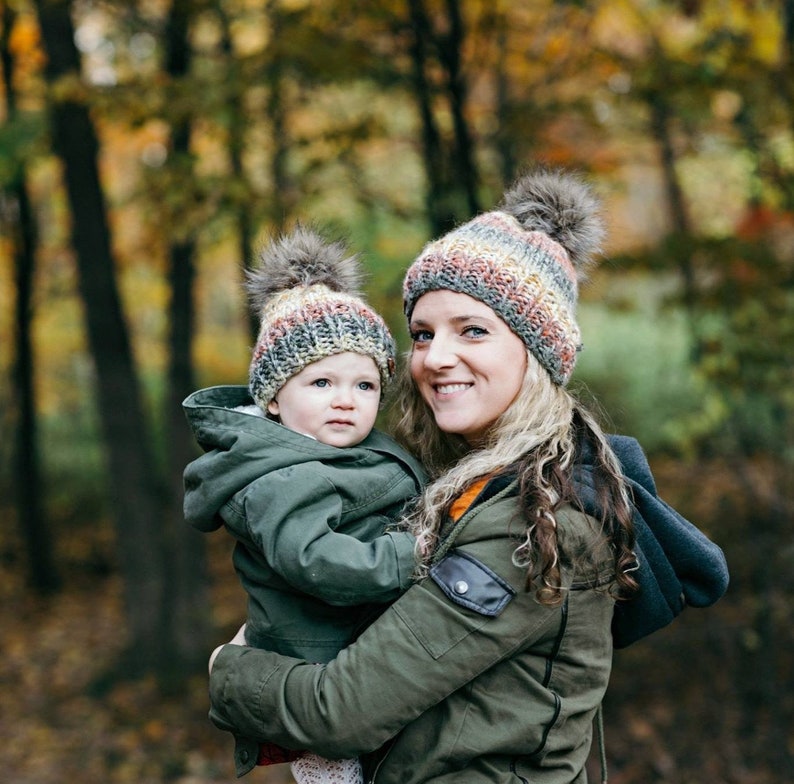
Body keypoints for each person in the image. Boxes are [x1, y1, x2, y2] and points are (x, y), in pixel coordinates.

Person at [205, 170, 729, 783]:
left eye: (472, 330)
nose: (435, 357)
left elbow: (339, 711)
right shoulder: (463, 487)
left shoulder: (537, 520)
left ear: (537, 352)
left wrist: (228, 669)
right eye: (422, 334)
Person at [182, 227, 426, 784]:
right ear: (273, 397)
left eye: (365, 386)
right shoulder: (281, 478)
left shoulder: (340, 453)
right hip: (312, 665)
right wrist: (410, 555)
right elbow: (316, 560)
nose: (345, 400)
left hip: (356, 649)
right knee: (336, 766)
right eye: (321, 382)